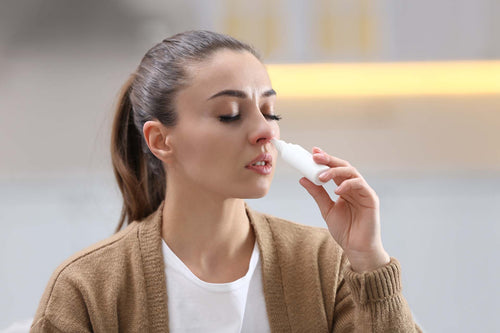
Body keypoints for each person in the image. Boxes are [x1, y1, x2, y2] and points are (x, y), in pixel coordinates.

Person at [31, 30, 421, 332]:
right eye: (230, 114)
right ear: (160, 140)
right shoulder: (86, 288)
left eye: (270, 112)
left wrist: (369, 260)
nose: (265, 132)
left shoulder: (324, 264)